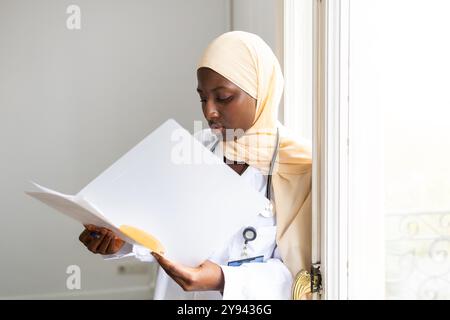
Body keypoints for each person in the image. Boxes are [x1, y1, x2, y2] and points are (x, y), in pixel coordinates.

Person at [78, 31, 312, 300]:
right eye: (203, 98)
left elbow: (299, 274)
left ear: (262, 92)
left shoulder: (298, 167)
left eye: (223, 97)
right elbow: (162, 227)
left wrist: (223, 280)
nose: (209, 112)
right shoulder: (194, 149)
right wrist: (122, 243)